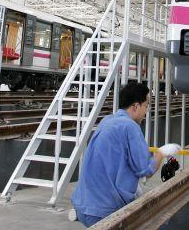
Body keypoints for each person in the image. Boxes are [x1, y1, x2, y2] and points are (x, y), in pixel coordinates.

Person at [70, 81, 180, 227]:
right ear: (136, 106)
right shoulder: (130, 127)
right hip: (103, 211)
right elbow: (146, 170)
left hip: (83, 204)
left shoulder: (107, 120)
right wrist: (162, 152)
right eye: (146, 106)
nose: (146, 111)